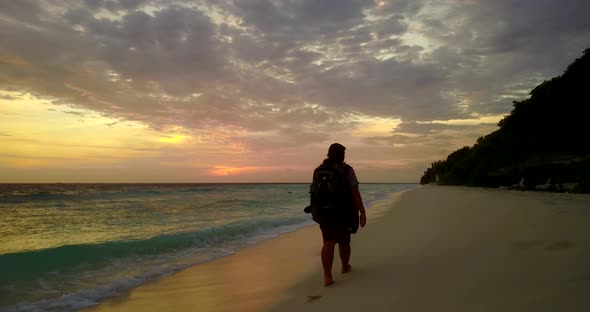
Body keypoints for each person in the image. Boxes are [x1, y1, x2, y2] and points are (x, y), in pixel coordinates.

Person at [309, 143, 366, 286]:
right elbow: (355, 192)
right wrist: (362, 212)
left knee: (328, 242)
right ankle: (345, 266)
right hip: (343, 211)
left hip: (323, 211)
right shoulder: (347, 170)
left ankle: (327, 276)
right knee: (344, 241)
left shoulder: (318, 170)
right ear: (342, 155)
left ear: (329, 154)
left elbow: (315, 192)